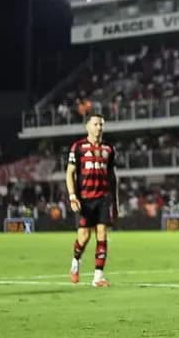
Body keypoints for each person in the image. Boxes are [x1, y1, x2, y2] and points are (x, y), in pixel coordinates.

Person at [66, 114, 119, 287]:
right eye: (95, 124)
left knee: (102, 235)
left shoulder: (109, 149)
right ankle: (76, 262)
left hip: (103, 198)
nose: (99, 128)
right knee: (84, 237)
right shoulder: (78, 147)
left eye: (101, 124)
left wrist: (115, 203)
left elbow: (112, 177)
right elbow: (69, 173)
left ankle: (98, 277)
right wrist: (72, 196)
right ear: (87, 127)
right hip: (85, 199)